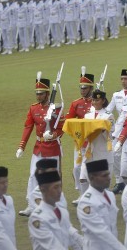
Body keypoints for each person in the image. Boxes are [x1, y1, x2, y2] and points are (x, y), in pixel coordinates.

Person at [77, 159, 127, 250]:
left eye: (108, 174)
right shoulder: (86, 203)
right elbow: (102, 232)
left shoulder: (110, 195)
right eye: (104, 175)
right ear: (92, 178)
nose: (109, 178)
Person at [16, 73, 65, 216]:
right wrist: (21, 146)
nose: (38, 96)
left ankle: (53, 204)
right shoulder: (33, 108)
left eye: (41, 94)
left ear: (47, 93)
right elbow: (28, 127)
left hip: (52, 148)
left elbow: (62, 127)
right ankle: (31, 205)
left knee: (52, 177)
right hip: (38, 148)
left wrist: (54, 135)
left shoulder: (55, 108)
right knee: (32, 176)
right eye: (37, 93)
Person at [29, 170, 83, 250]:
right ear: (43, 189)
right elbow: (52, 244)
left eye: (59, 186)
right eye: (55, 187)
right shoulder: (37, 218)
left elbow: (68, 236)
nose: (59, 191)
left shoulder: (62, 212)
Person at [78, 89, 115, 197]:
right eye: (93, 100)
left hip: (102, 151)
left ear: (103, 101)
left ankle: (102, 201)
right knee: (83, 178)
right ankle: (85, 199)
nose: (94, 102)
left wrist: (101, 130)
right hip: (90, 151)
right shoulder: (87, 115)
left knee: (102, 182)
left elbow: (111, 133)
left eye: (97, 100)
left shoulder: (109, 115)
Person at [65, 69, 94, 204]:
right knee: (77, 168)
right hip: (79, 142)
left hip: (93, 142)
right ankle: (81, 193)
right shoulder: (76, 103)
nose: (82, 90)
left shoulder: (96, 102)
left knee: (88, 169)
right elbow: (68, 120)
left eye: (85, 88)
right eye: (81, 88)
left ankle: (87, 195)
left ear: (91, 88)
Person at [108, 69, 127, 194]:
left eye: (126, 79)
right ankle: (119, 182)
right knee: (114, 155)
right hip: (119, 129)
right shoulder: (116, 95)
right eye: (122, 79)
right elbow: (108, 110)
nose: (124, 81)